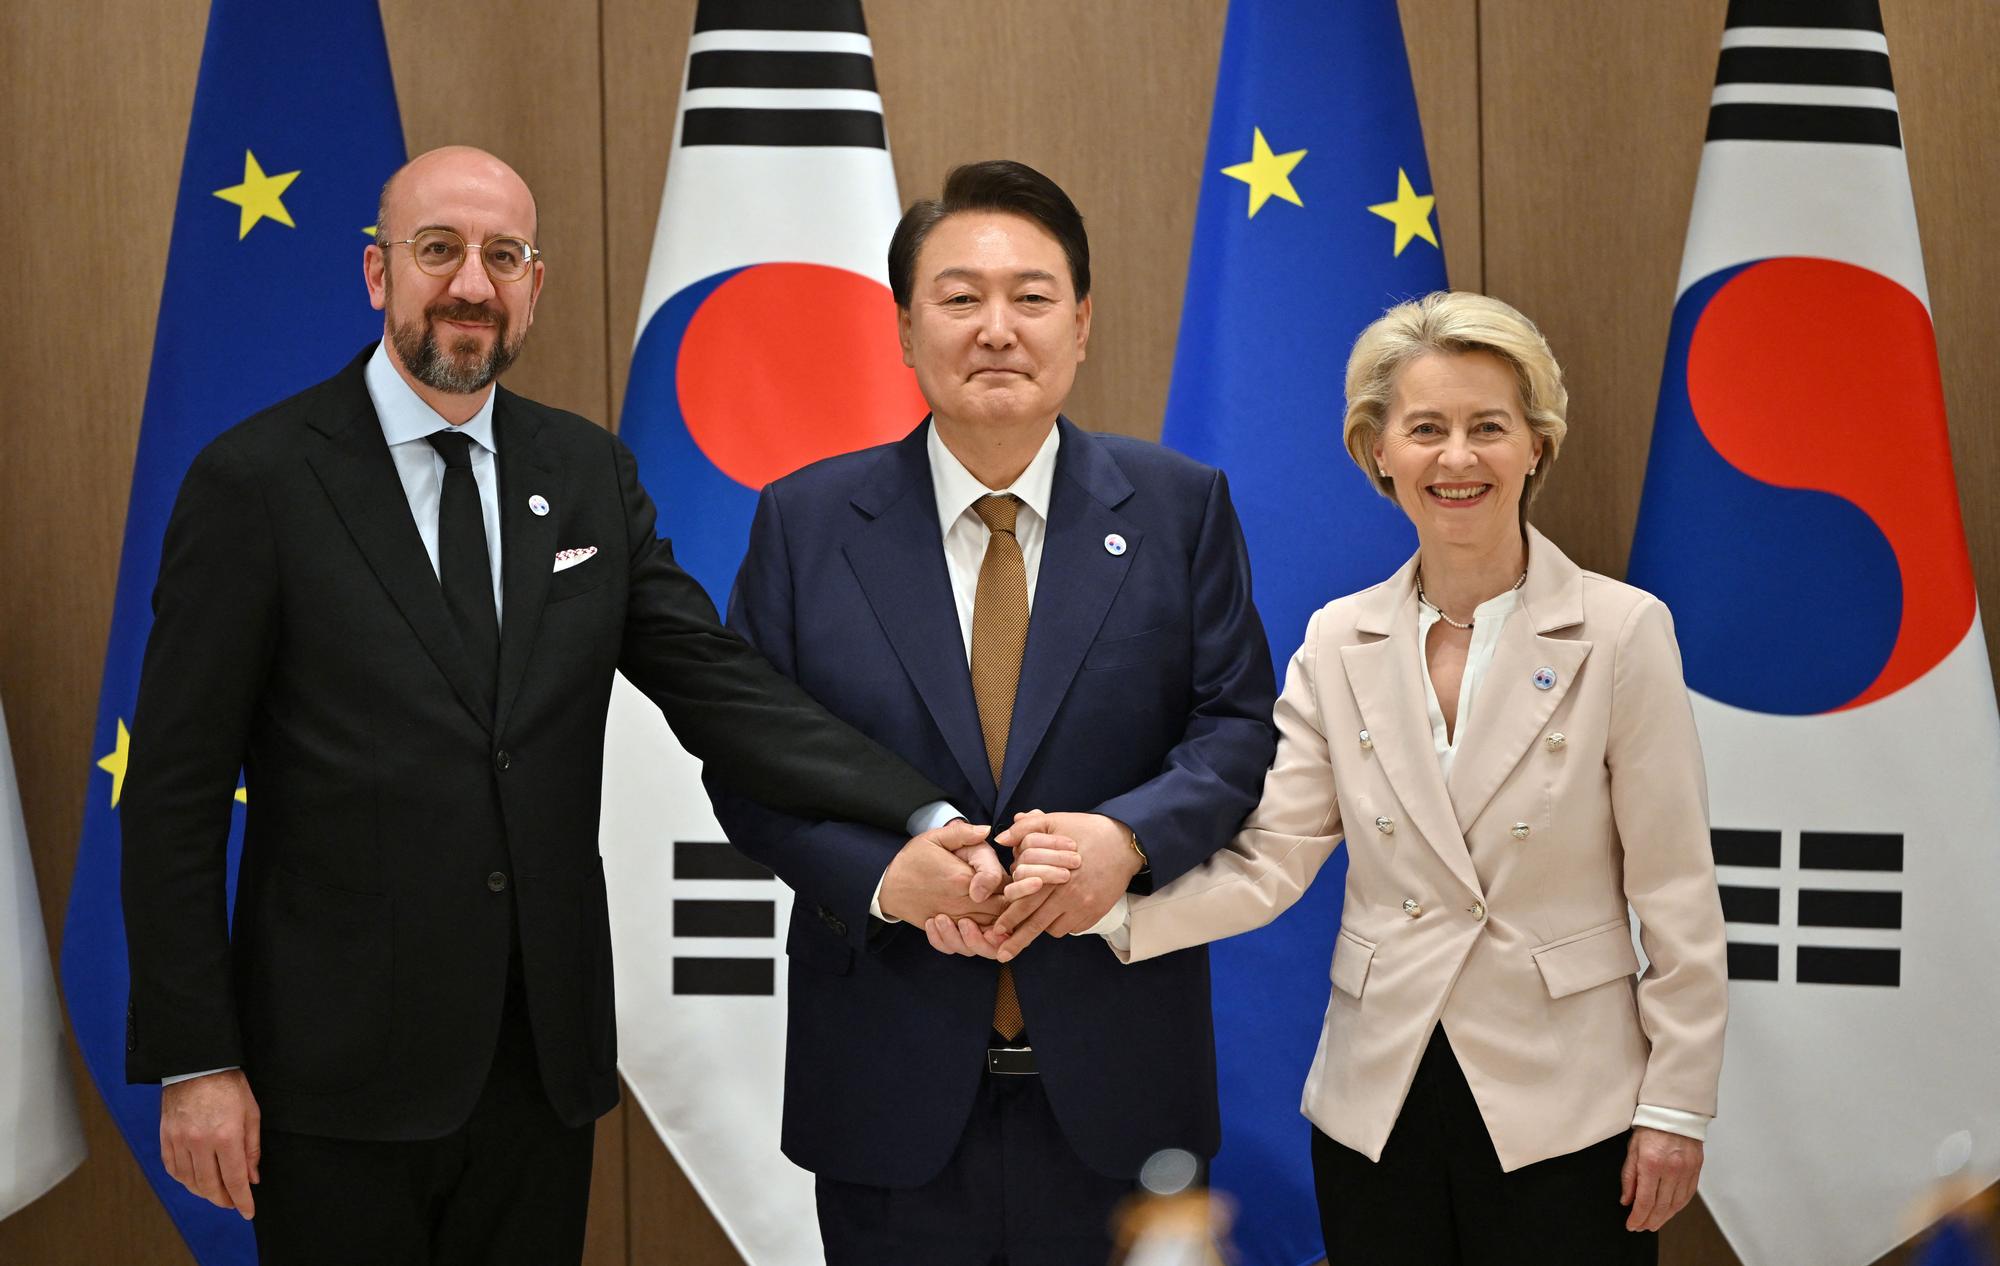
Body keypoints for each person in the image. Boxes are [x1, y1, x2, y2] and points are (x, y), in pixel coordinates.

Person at [118, 146, 990, 1266]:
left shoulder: (584, 473)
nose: (471, 283)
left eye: (503, 256)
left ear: (536, 284)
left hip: (539, 1065)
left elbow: (718, 688)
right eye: (438, 251)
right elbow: (176, 793)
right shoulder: (257, 481)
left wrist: (918, 810)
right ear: (377, 273)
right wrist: (198, 1060)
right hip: (330, 1079)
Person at [1000, 291, 1729, 1263]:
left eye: (1488, 428)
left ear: (1535, 446)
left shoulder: (1621, 631)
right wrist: (1104, 910)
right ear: (1376, 450)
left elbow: (1674, 889)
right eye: (1425, 429)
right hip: (1377, 1101)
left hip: (1570, 1106)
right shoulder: (1338, 640)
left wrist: (1675, 1104)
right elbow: (1271, 860)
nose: (1456, 458)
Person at [704, 159, 1278, 1265]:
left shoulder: (1177, 507)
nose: (997, 329)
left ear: (1082, 322)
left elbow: (1235, 729)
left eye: (1031, 296)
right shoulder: (806, 522)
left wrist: (1128, 839)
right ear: (905, 331)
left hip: (1119, 1081)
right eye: (959, 298)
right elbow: (749, 765)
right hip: (885, 1081)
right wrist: (879, 878)